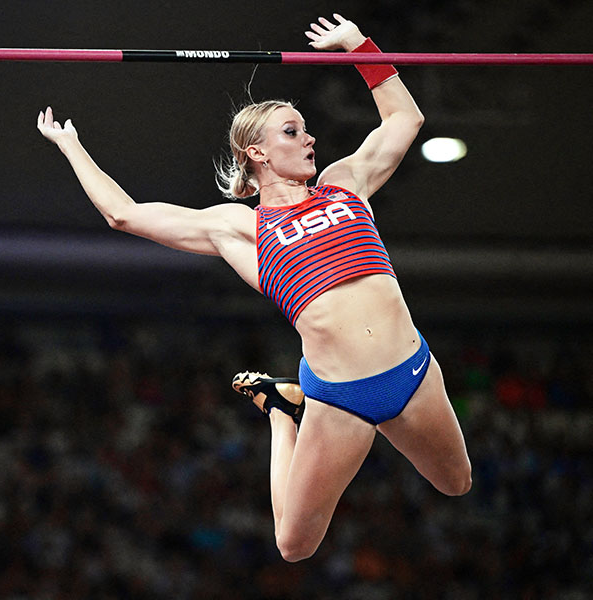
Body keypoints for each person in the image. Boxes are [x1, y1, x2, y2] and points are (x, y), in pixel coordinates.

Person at [36, 13, 471, 563]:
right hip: (341, 398)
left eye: (306, 128)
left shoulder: (344, 184)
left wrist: (358, 46)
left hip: (411, 369)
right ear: (258, 152)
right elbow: (125, 215)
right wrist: (71, 145)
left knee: (458, 483)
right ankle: (283, 412)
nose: (310, 137)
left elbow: (404, 119)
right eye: (293, 131)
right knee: (293, 544)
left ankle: (293, 408)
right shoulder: (241, 228)